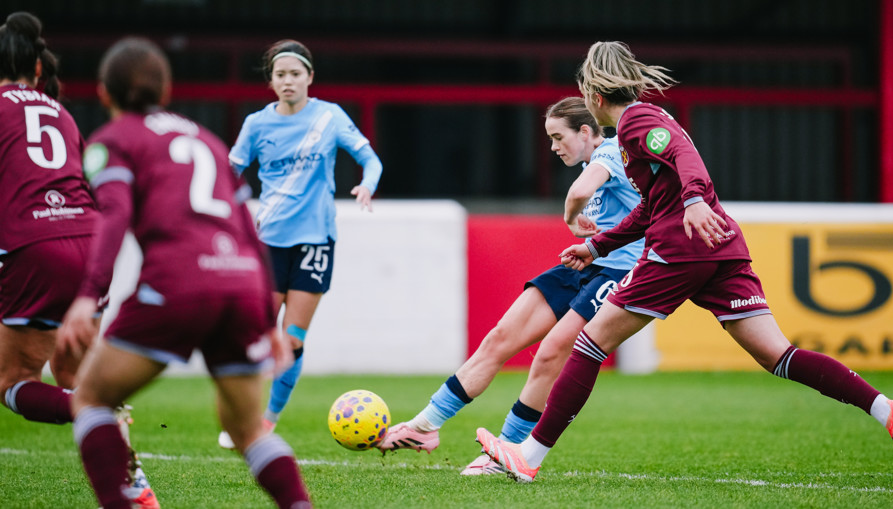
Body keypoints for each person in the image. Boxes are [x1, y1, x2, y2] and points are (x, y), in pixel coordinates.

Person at [477, 41, 893, 482]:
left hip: (681, 248)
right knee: (778, 355)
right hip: (721, 246)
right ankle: (888, 411)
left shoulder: (637, 121)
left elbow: (682, 156)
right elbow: (652, 205)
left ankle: (529, 456)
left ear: (593, 95)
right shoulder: (645, 124)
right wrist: (597, 247)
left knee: (590, 343)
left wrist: (692, 200)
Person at [57, 37, 311, 509]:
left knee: (89, 399)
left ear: (103, 94)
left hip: (177, 285)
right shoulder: (206, 139)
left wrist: (86, 297)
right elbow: (247, 230)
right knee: (248, 431)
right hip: (238, 285)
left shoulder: (112, 141)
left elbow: (111, 217)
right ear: (167, 90)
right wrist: (262, 315)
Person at [379, 97, 642, 475]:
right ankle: (424, 426)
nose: (552, 147)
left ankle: (505, 453)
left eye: (557, 137)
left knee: (550, 354)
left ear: (585, 131)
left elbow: (578, 194)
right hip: (583, 263)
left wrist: (571, 218)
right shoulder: (594, 161)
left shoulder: (613, 151)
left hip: (617, 274)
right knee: (498, 339)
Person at [0, 13, 158, 507]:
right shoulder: (60, 113)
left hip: (36, 248)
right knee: (76, 379)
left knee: (12, 383)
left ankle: (103, 418)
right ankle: (133, 490)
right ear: (39, 71)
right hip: (90, 245)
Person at [218, 39, 383, 450]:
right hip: (269, 241)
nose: (288, 81)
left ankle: (267, 420)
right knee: (258, 336)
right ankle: (245, 413)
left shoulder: (329, 117)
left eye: (295, 73)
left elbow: (371, 159)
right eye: (280, 74)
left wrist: (366, 184)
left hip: (315, 241)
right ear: (270, 81)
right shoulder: (257, 124)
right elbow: (228, 173)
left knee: (291, 338)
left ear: (309, 77)